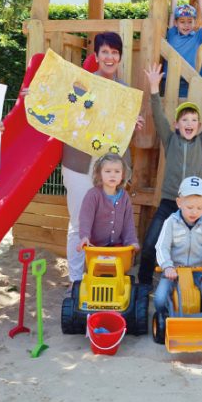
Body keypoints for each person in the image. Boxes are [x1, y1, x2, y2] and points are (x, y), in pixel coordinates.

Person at [138, 62, 202, 286]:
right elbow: (158, 115)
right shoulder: (170, 140)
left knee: (195, 247)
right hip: (169, 202)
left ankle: (193, 283)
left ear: (198, 126)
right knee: (151, 241)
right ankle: (143, 284)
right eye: (184, 120)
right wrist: (153, 88)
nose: (189, 123)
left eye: (193, 121)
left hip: (193, 207)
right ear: (176, 124)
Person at [61, 31, 144, 284]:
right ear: (96, 55)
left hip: (108, 167)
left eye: (115, 52)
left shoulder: (125, 92)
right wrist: (37, 95)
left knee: (107, 221)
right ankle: (76, 281)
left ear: (119, 57)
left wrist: (132, 124)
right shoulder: (81, 83)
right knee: (78, 222)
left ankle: (100, 276)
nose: (110, 57)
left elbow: (120, 135)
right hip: (78, 164)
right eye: (105, 52)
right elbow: (58, 106)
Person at [153, 176, 202, 337]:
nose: (194, 212)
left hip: (197, 271)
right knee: (160, 298)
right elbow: (161, 246)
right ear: (179, 203)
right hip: (173, 271)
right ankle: (164, 318)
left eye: (199, 208)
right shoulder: (171, 222)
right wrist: (167, 266)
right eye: (190, 207)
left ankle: (198, 319)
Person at [78, 153, 139, 251]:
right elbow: (85, 218)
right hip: (95, 247)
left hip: (118, 246)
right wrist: (85, 236)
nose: (112, 175)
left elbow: (128, 222)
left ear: (122, 175)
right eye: (107, 171)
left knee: (119, 266)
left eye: (117, 171)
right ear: (99, 174)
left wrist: (131, 241)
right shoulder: (93, 195)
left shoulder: (125, 197)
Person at [164, 0, 202, 97]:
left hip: (187, 80)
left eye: (190, 21)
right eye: (182, 21)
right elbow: (172, 14)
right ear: (176, 23)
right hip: (168, 79)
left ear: (195, 22)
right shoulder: (172, 34)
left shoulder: (196, 37)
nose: (186, 25)